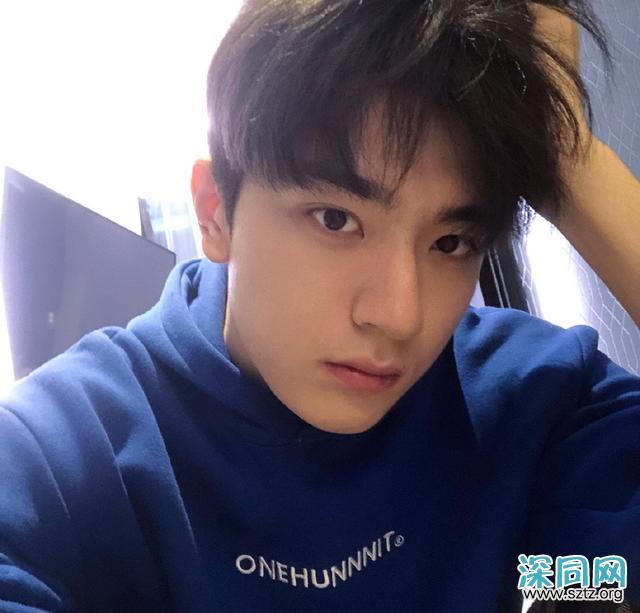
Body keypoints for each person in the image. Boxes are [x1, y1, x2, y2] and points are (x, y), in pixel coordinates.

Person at [0, 1, 639, 611]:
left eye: (450, 243)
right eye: (335, 219)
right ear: (215, 211)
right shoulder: (56, 459)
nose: (399, 315)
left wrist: (571, 157)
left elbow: (582, 587)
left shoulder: (535, 399)